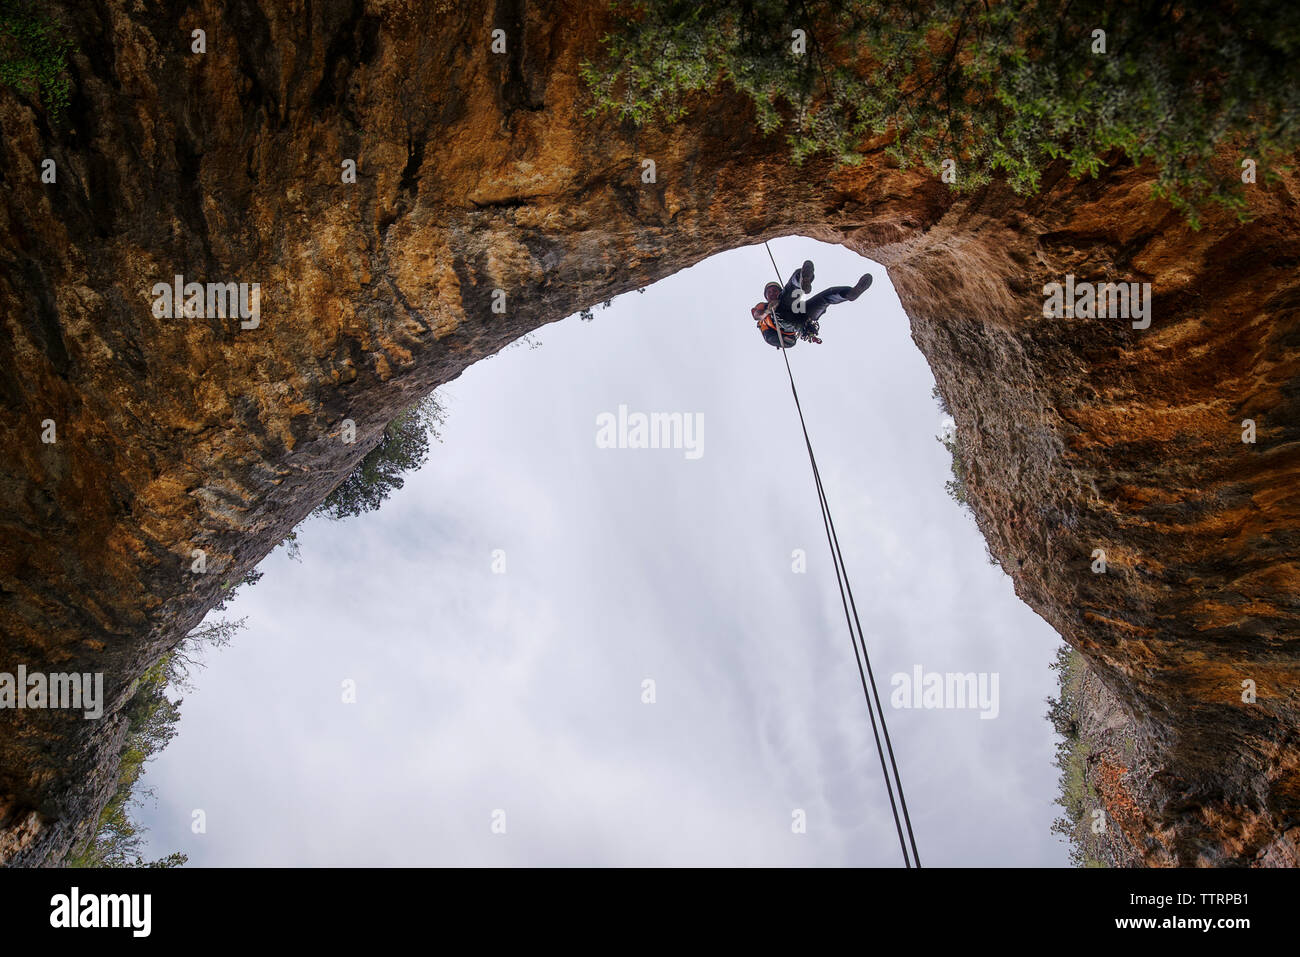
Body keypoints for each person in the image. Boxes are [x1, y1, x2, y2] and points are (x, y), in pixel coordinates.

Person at [751, 259, 872, 349]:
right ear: (766, 297)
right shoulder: (764, 307)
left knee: (822, 297)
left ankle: (850, 293)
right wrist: (768, 311)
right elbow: (757, 315)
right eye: (769, 292)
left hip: (800, 312)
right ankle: (802, 282)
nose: (772, 293)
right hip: (784, 319)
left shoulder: (783, 296)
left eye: (775, 290)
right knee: (792, 293)